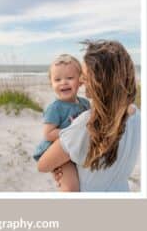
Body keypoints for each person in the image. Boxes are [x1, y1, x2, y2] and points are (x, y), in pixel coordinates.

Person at [37, 40, 140, 192]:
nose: (82, 81)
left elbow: (43, 164)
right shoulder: (137, 115)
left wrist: (58, 166)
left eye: (85, 75)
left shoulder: (88, 123)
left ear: (100, 81)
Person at [33, 54, 90, 191]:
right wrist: (73, 132)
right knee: (71, 187)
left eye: (70, 78)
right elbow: (48, 134)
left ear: (80, 80)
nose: (63, 82)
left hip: (75, 149)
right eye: (57, 79)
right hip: (56, 151)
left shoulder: (85, 104)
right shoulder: (55, 108)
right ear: (51, 83)